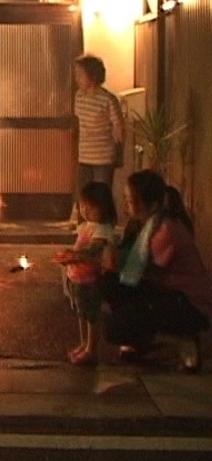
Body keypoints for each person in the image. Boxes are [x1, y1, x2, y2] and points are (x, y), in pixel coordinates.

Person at [101, 170, 212, 372]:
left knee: (115, 327)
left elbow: (147, 273)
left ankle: (182, 342)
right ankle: (138, 342)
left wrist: (112, 262)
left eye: (131, 200)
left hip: (189, 304)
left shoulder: (165, 230)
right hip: (166, 294)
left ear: (152, 205)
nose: (126, 205)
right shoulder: (143, 224)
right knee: (110, 283)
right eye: (125, 199)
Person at [53, 181, 118, 366]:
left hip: (90, 280)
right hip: (77, 278)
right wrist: (69, 254)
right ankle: (83, 344)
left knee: (91, 315)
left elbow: (92, 250)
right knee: (81, 313)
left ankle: (91, 350)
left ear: (104, 208)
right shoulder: (87, 226)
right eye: (83, 206)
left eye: (91, 207)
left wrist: (73, 257)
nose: (85, 210)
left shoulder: (102, 230)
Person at [72, 55, 125, 224]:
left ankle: (104, 230)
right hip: (84, 156)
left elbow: (118, 127)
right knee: (82, 194)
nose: (77, 79)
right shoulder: (78, 97)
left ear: (93, 76)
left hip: (103, 157)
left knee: (102, 197)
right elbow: (79, 124)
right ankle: (83, 231)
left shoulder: (108, 99)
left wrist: (118, 153)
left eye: (80, 75)